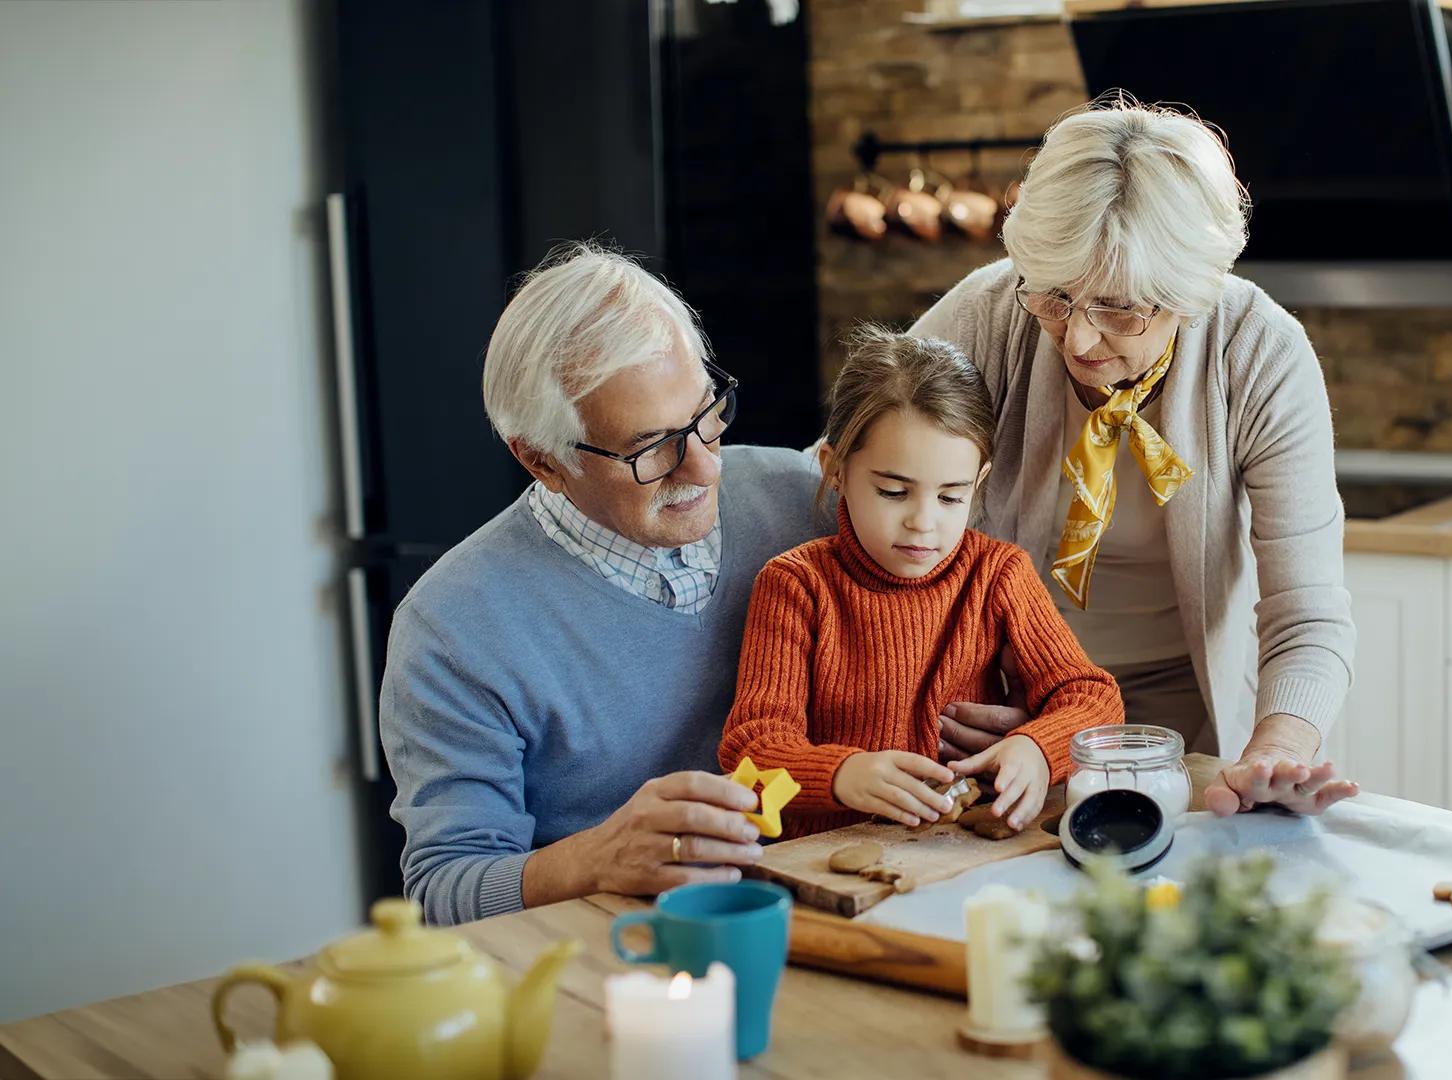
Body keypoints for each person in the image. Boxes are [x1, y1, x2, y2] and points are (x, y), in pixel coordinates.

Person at [910, 99, 1361, 818]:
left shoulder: (1260, 352)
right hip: (995, 710)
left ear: (1191, 295)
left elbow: (1306, 614)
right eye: (1056, 297)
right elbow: (855, 482)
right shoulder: (990, 315)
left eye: (1121, 310)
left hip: (1175, 726)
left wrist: (1276, 749)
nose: (1080, 340)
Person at [379, 244, 827, 924]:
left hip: (835, 919)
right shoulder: (452, 628)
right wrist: (598, 857)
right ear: (540, 459)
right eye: (651, 449)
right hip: (611, 966)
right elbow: (445, 890)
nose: (706, 470)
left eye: (707, 414)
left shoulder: (805, 505)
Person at [720, 328, 1124, 838]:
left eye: (951, 497)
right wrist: (840, 776)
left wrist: (1039, 748)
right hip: (824, 861)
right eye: (893, 492)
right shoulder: (795, 586)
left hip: (956, 854)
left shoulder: (998, 575)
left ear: (979, 482)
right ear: (836, 469)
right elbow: (750, 753)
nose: (923, 522)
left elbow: (1093, 697)